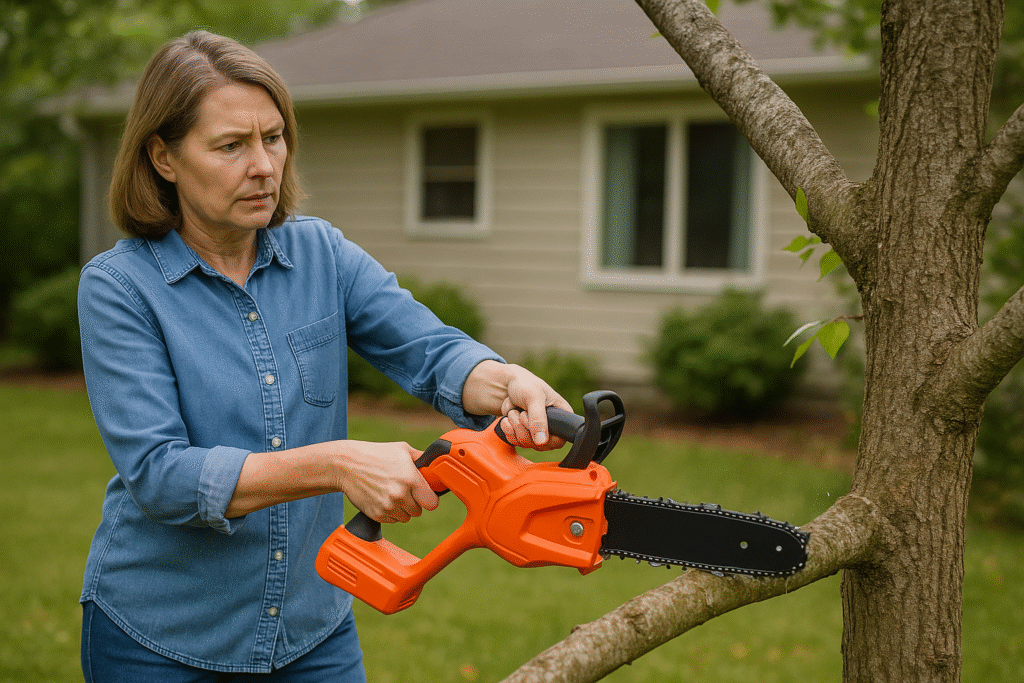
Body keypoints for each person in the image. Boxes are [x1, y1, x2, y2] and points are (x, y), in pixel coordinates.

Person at [77, 30, 571, 682]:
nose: (264, 165)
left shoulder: (322, 254)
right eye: (231, 146)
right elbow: (161, 476)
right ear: (163, 157)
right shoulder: (120, 288)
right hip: (161, 638)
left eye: (273, 137)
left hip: (312, 632)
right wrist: (337, 463)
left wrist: (505, 384)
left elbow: (429, 350)